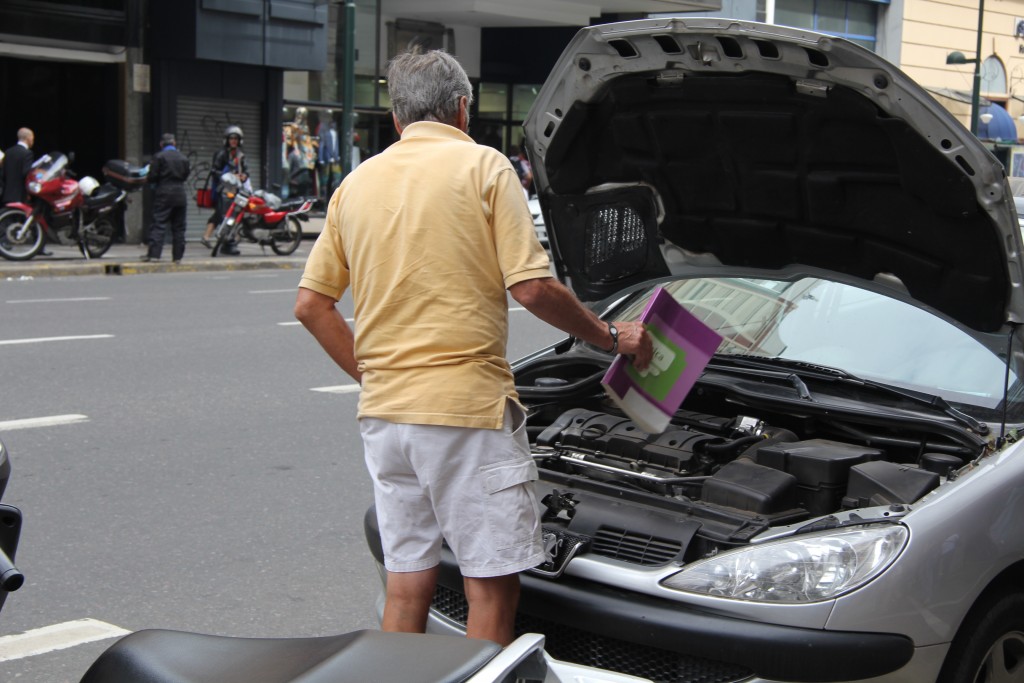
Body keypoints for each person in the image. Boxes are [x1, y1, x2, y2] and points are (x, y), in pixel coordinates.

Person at [293, 49, 653, 646]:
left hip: (386, 417)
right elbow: (533, 287)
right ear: (462, 108)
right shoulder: (484, 167)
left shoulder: (355, 184)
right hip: (464, 413)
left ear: (396, 117)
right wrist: (613, 337)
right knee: (493, 585)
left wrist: (378, 376)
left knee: (408, 580)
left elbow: (311, 304)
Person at [142, 133, 191, 263]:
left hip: (164, 192)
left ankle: (154, 255)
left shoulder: (159, 157)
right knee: (179, 227)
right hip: (180, 193)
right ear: (174, 143)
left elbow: (152, 176)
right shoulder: (183, 158)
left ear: (161, 144)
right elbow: (186, 175)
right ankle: (177, 257)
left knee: (159, 223)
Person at [200, 125, 248, 254]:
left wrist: (244, 176)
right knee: (224, 215)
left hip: (236, 189)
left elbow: (246, 170)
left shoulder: (240, 155)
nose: (234, 141)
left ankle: (217, 238)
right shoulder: (221, 153)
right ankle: (228, 242)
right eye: (231, 138)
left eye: (236, 139)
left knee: (228, 215)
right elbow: (214, 171)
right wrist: (228, 176)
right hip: (223, 190)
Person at [1, 128, 35, 205]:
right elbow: (26, 173)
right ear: (29, 138)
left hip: (6, 196)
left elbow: (2, 174)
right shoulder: (27, 153)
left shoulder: (8, 152)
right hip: (20, 196)